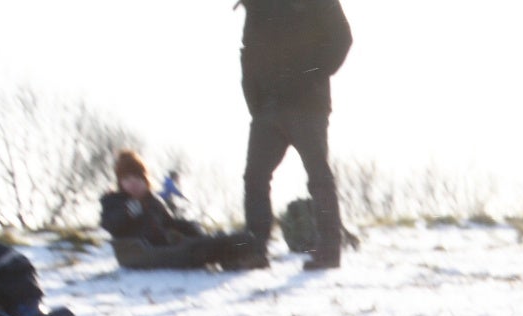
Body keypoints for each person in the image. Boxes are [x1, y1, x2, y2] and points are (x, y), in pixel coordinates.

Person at [235, 0, 351, 271]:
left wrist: (311, 76)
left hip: (307, 105)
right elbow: (248, 53)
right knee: (255, 177)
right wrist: (256, 101)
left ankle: (329, 250)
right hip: (267, 109)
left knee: (318, 175)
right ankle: (256, 249)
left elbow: (342, 39)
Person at [101, 151, 266, 271]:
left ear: (145, 181)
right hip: (149, 253)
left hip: (170, 246)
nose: (133, 184)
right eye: (127, 180)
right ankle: (234, 255)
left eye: (138, 179)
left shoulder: (153, 202)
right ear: (120, 183)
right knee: (202, 248)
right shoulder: (115, 202)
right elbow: (110, 224)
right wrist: (127, 213)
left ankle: (240, 254)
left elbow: (171, 223)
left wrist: (191, 227)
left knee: (238, 239)